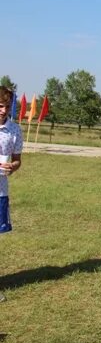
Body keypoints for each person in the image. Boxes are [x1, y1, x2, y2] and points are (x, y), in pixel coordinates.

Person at [0, 87, 23, 302]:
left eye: (7, 106)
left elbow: (17, 159)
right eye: (0, 106)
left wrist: (13, 167)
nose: (3, 110)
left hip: (0, 192)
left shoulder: (14, 129)